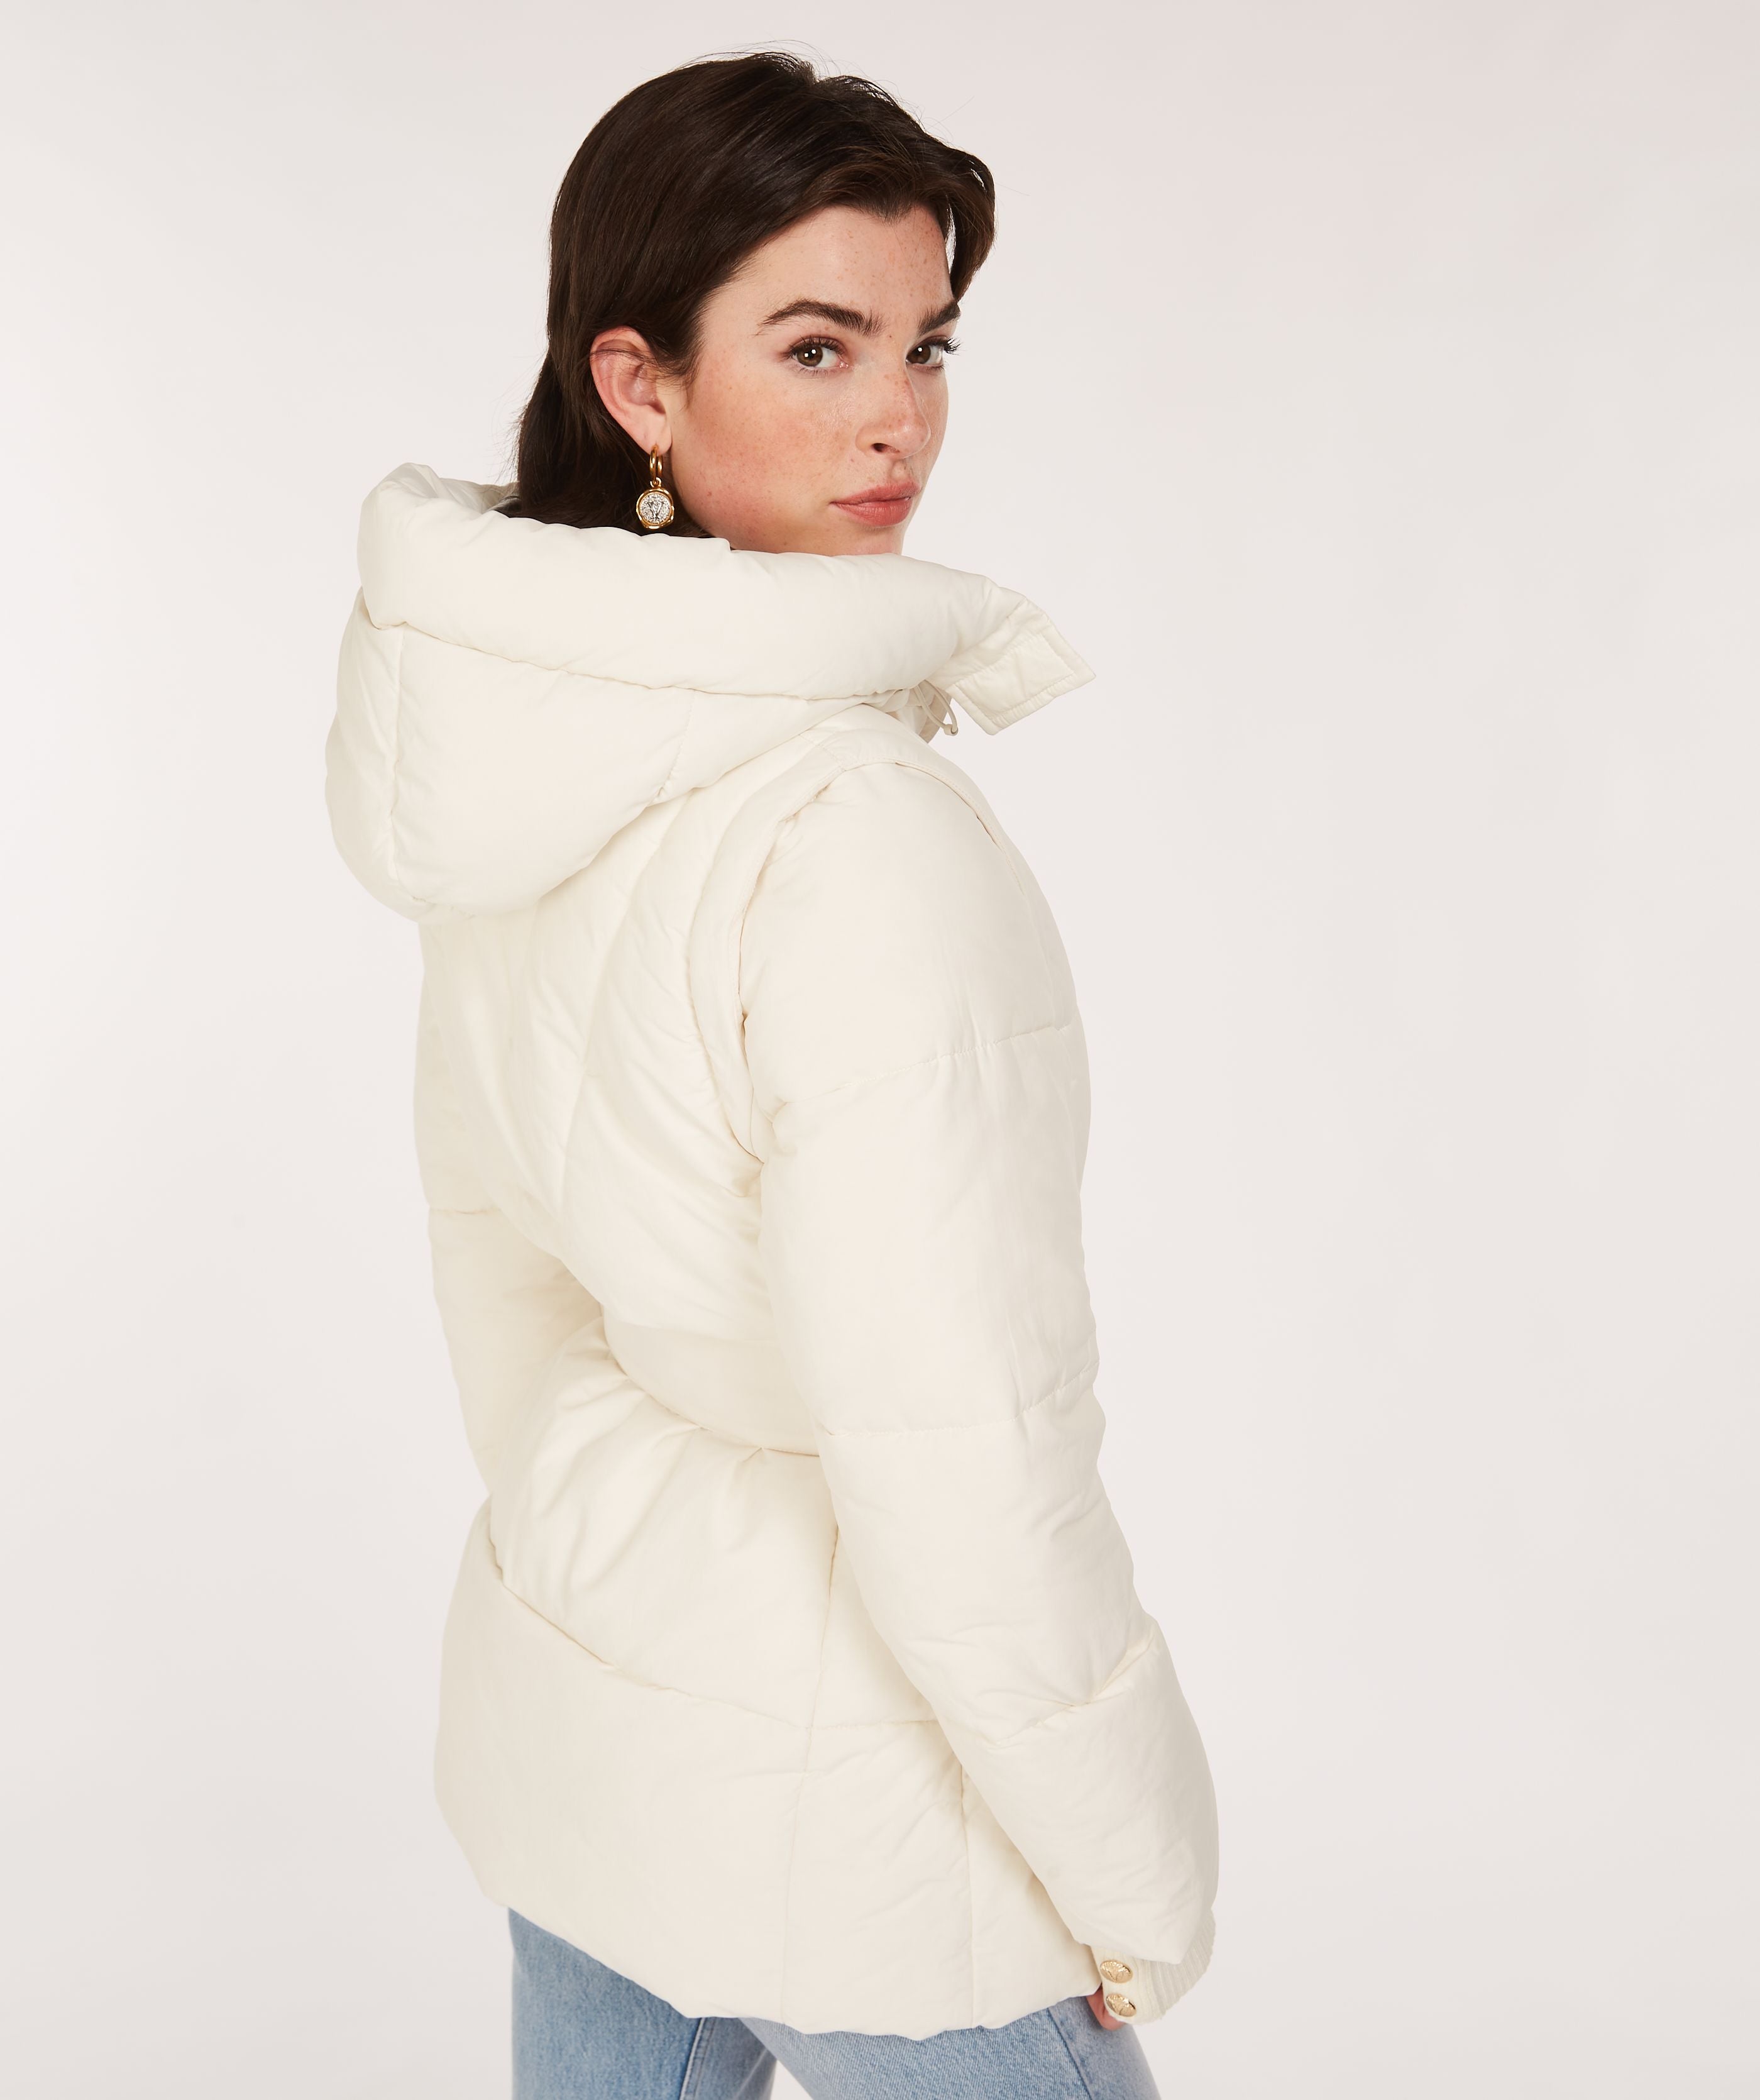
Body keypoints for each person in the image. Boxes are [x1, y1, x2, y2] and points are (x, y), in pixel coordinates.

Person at [326, 50, 1219, 2100]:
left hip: (593, 1719)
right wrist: (1128, 1867)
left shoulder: (521, 756)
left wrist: (590, 1557)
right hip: (874, 1807)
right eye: (817, 347)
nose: (898, 416)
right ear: (638, 382)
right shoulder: (853, 831)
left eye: (927, 343)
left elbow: (500, 1271)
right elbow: (965, 1438)